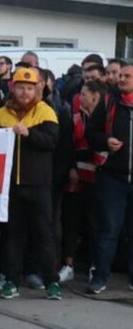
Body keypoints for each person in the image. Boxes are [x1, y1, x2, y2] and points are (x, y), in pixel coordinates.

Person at [0, 68, 61, 300]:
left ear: (37, 89)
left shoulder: (46, 113)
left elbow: (51, 142)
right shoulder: (0, 115)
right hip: (10, 186)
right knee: (13, 235)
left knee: (44, 234)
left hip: (39, 185)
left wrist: (29, 134)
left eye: (29, 88)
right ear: (13, 88)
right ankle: (11, 281)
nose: (25, 92)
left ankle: (52, 281)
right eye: (21, 87)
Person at [85, 62, 133, 294]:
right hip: (113, 178)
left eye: (127, 76)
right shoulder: (108, 101)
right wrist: (105, 141)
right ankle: (100, 277)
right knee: (109, 229)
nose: (121, 79)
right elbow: (90, 133)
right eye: (120, 75)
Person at [58, 80, 104, 284]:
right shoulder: (73, 118)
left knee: (96, 225)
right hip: (75, 179)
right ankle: (68, 265)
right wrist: (72, 167)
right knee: (71, 222)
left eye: (84, 94)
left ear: (95, 96)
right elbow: (68, 147)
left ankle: (96, 265)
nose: (80, 98)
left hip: (99, 180)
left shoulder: (106, 119)